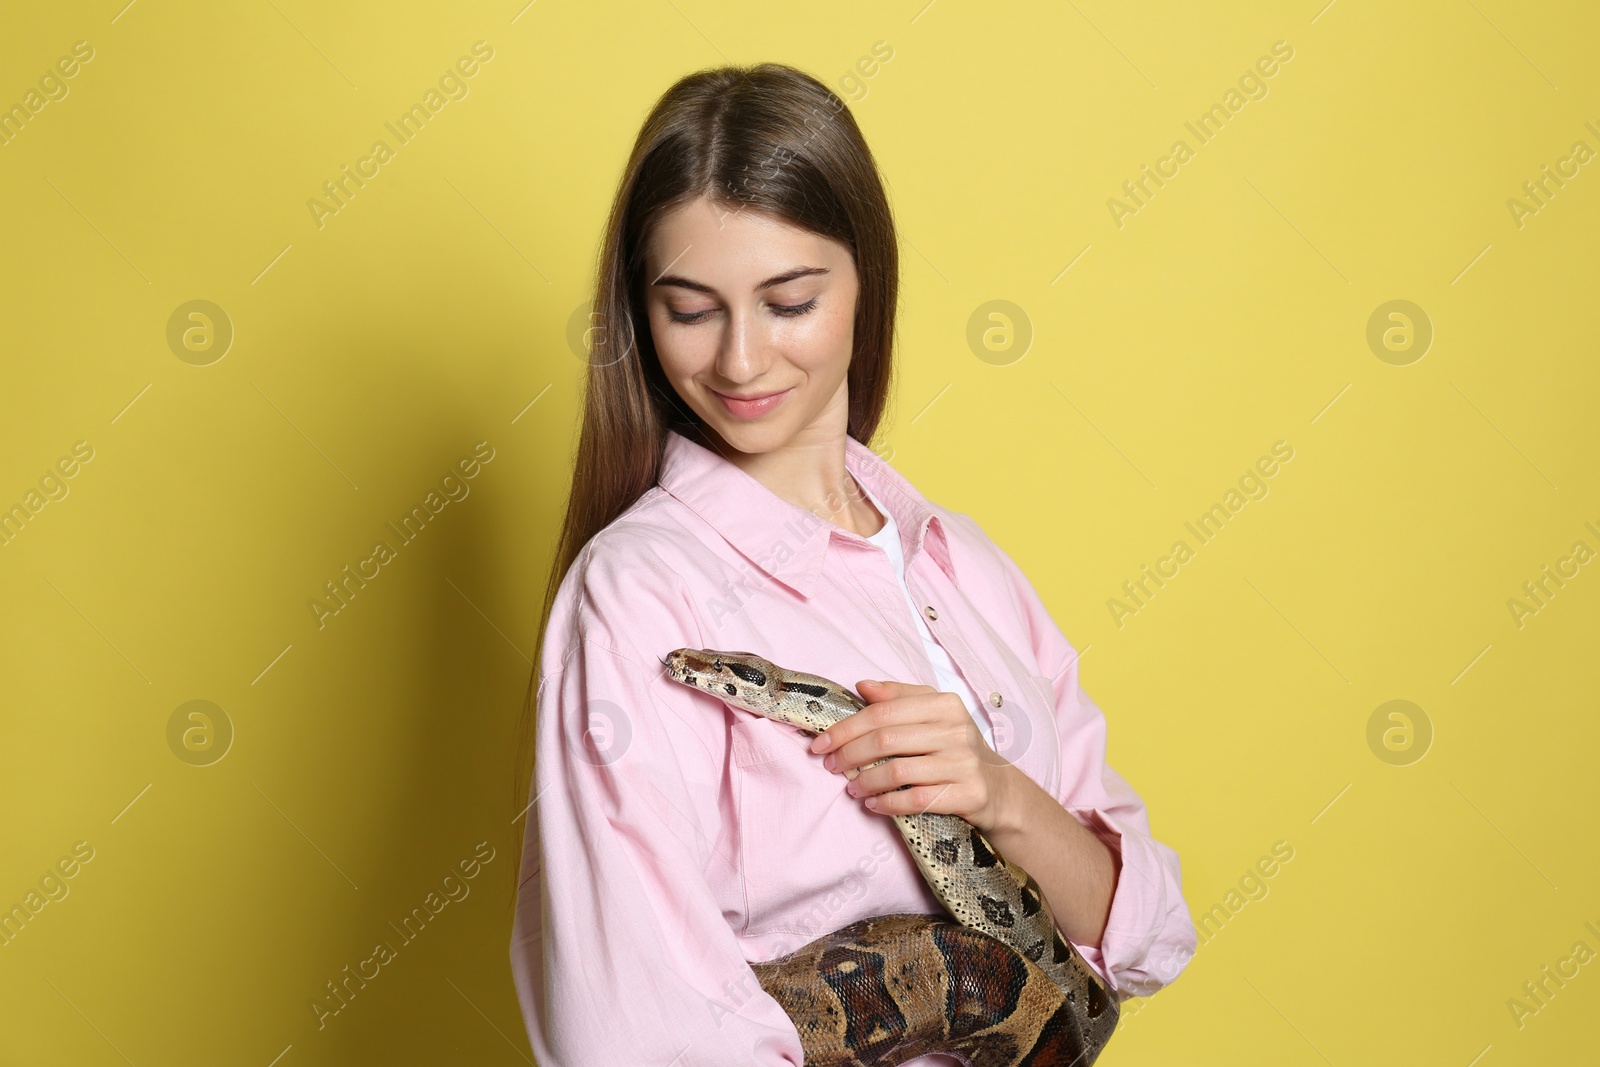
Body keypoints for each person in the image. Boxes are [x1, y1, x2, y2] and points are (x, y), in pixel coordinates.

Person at [508, 62, 1195, 1066]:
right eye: (691, 310)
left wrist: (998, 793)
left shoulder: (962, 564)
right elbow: (637, 1035)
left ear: (865, 280)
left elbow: (1145, 938)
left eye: (788, 300)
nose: (741, 362)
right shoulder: (639, 595)